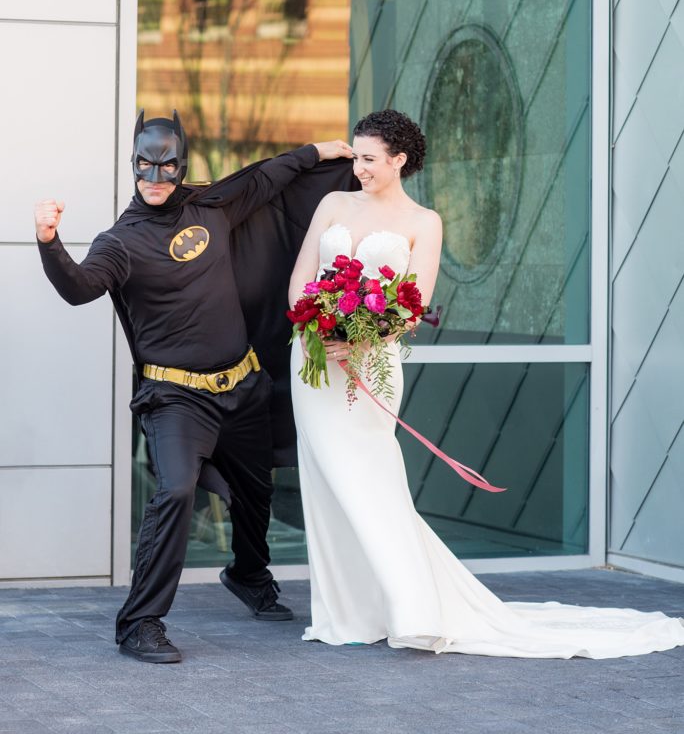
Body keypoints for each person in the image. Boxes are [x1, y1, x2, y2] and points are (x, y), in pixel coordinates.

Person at [288, 108, 684, 659]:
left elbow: (412, 306)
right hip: (313, 365)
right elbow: (300, 280)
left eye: (370, 159)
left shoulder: (424, 222)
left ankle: (415, 609)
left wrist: (356, 339)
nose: (359, 168)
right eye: (356, 156)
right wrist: (316, 325)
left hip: (370, 364)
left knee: (371, 481)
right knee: (329, 484)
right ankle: (351, 611)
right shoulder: (333, 203)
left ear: (400, 160)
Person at [35, 109, 353, 664]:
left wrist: (320, 152)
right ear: (133, 164)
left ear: (181, 167)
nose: (154, 178)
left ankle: (248, 574)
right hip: (176, 399)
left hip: (243, 385)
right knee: (177, 490)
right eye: (145, 166)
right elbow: (80, 287)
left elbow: (266, 175)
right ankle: (139, 623)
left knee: (257, 490)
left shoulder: (212, 205)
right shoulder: (121, 243)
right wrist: (48, 241)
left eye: (166, 167)